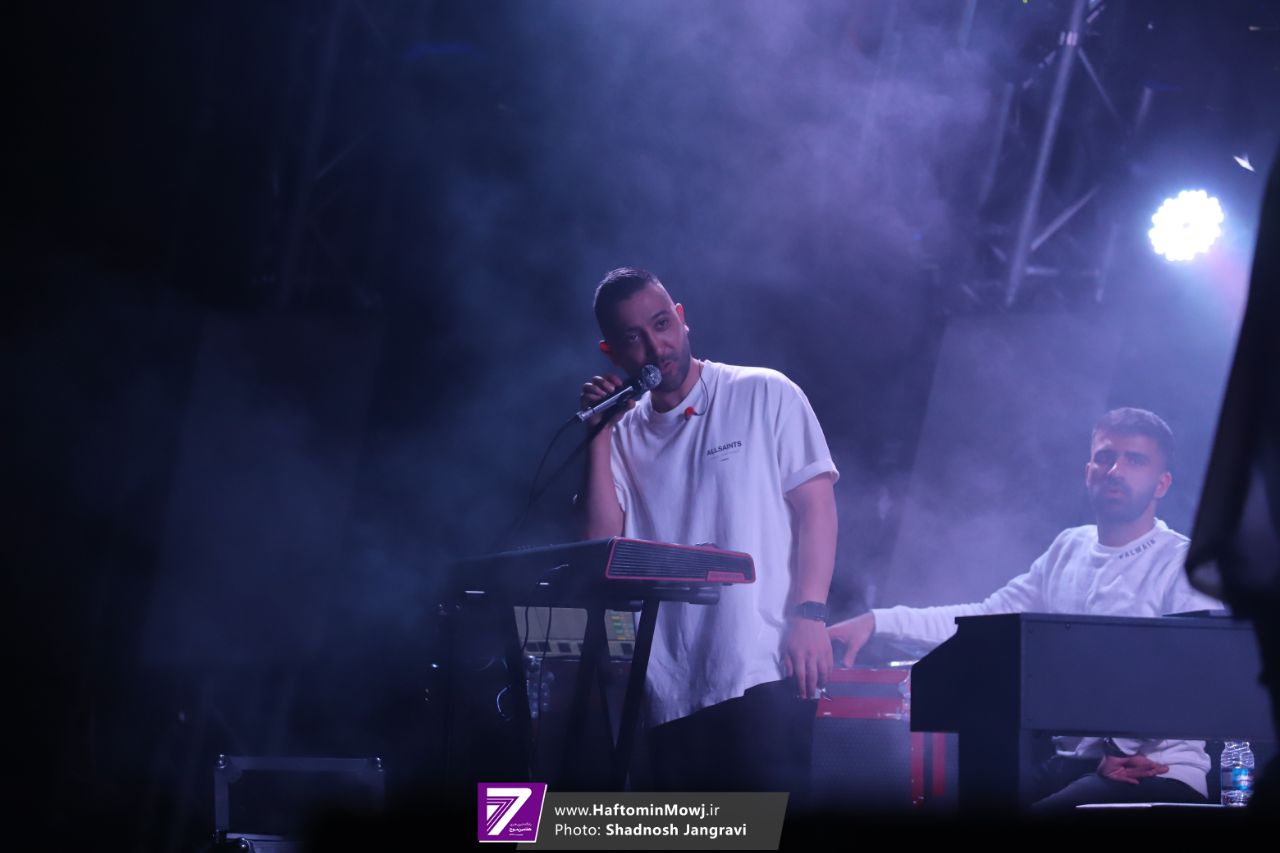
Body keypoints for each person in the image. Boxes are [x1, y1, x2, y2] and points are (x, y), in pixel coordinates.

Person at [828, 407, 1221, 810]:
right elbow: (988, 620)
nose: (1116, 470)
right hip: (1077, 766)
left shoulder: (1183, 563)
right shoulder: (1069, 547)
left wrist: (1117, 745)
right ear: (1088, 471)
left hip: (1156, 772)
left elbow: (1194, 677)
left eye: (1135, 460)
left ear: (1161, 484)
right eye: (1105, 457)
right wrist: (877, 621)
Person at [578, 267, 839, 800]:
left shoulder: (763, 391)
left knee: (768, 831)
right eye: (634, 338)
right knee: (701, 834)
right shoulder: (621, 435)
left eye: (661, 324)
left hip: (764, 669)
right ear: (613, 353)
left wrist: (810, 614)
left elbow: (817, 509)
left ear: (681, 318)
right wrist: (597, 437)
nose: (657, 347)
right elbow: (600, 546)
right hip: (669, 687)